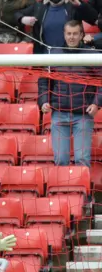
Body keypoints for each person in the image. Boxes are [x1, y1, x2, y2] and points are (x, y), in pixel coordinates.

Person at [39, 20, 101, 168]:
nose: (71, 37)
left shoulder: (93, 56)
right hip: (59, 114)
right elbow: (43, 82)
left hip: (83, 114)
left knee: (82, 160)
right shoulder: (52, 55)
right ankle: (62, 192)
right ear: (64, 35)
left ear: (81, 35)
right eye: (68, 34)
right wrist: (43, 101)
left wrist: (97, 103)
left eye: (75, 34)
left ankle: (83, 192)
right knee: (60, 160)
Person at [14, 0, 97, 54]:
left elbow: (93, 18)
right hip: (44, 56)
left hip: (71, 55)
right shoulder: (38, 6)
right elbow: (16, 14)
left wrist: (80, 5)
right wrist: (22, 19)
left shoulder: (72, 5)